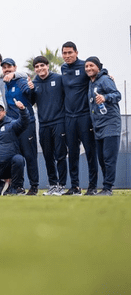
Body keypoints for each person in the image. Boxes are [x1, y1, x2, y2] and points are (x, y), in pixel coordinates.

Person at [61, 41, 98, 195]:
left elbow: (98, 70)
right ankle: (75, 186)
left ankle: (92, 186)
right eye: (65, 53)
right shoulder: (63, 68)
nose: (67, 56)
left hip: (84, 116)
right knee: (73, 153)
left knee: (90, 152)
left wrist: (107, 73)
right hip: (69, 117)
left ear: (76, 52)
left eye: (70, 52)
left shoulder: (84, 66)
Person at [29, 56, 68, 196]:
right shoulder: (34, 83)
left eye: (42, 65)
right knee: (47, 156)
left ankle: (62, 186)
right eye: (37, 67)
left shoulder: (58, 79)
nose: (40, 69)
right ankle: (52, 185)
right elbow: (31, 102)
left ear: (47, 65)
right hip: (43, 124)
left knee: (60, 155)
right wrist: (30, 90)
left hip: (59, 122)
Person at [1, 58, 39, 195]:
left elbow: (30, 95)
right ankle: (18, 187)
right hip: (13, 125)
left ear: (15, 67)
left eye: (9, 67)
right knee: (16, 157)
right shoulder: (6, 83)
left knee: (29, 155)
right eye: (4, 67)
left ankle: (34, 186)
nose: (6, 69)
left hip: (26, 122)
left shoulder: (21, 80)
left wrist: (30, 88)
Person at [85, 56, 121, 196]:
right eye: (86, 66)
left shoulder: (105, 79)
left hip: (110, 124)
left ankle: (108, 188)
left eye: (91, 66)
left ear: (98, 67)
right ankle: (106, 187)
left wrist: (105, 97)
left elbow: (117, 95)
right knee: (101, 158)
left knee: (108, 158)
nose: (88, 68)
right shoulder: (90, 82)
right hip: (98, 126)